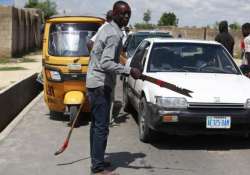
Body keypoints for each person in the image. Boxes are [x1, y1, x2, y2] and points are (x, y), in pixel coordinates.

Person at [86, 1, 141, 175]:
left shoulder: (106, 28)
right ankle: (98, 168)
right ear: (115, 13)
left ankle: (97, 160)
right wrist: (128, 70)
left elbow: (93, 48)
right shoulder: (113, 35)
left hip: (94, 82)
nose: (126, 17)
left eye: (128, 14)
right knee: (101, 127)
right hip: (101, 85)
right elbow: (106, 62)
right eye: (123, 13)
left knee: (96, 126)